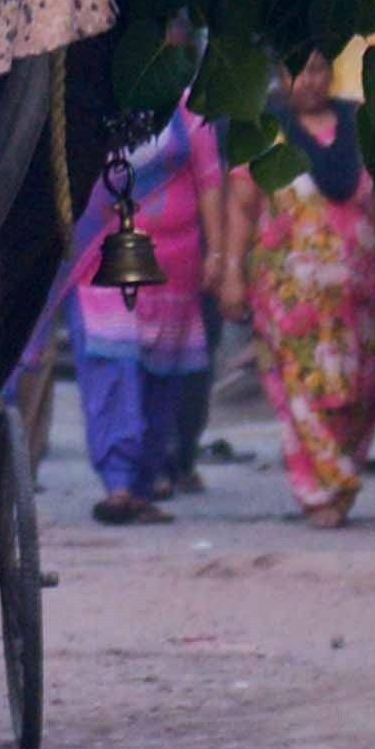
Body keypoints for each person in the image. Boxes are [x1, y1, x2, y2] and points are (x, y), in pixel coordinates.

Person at [213, 59, 375, 527]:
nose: (309, 82)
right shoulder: (264, 133)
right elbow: (241, 209)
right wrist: (230, 273)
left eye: (319, 71)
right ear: (281, 78)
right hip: (289, 299)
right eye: (297, 72)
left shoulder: (364, 124)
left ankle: (340, 476)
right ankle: (318, 491)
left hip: (364, 296)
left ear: (332, 74)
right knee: (302, 390)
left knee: (360, 391)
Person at [69, 102, 221, 525]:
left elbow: (210, 181)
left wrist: (221, 254)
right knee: (111, 365)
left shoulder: (190, 108)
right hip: (104, 261)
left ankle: (142, 484)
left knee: (161, 378)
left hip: (175, 272)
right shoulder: (97, 91)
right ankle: (118, 482)